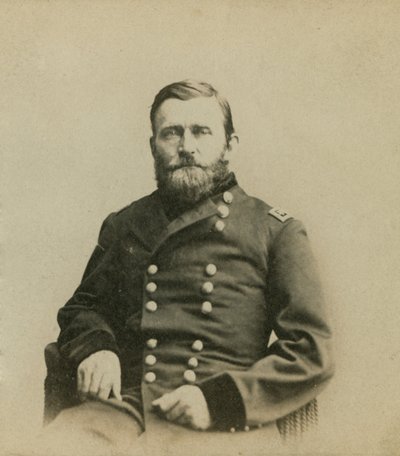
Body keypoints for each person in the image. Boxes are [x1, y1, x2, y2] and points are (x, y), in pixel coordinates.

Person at [27, 80, 334, 456]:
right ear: (153, 146)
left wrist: (219, 402)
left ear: (230, 145)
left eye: (201, 131)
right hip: (123, 408)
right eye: (172, 133)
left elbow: (310, 350)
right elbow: (83, 307)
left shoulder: (275, 231)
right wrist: (97, 347)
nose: (187, 146)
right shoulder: (126, 223)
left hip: (219, 421)